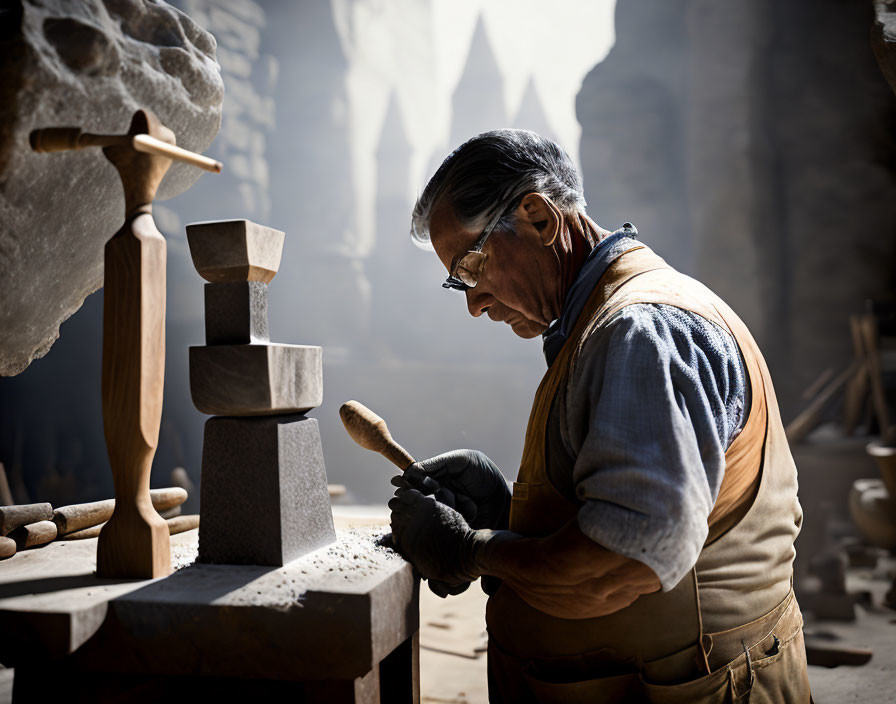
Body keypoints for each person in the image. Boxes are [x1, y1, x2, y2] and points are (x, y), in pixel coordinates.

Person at [388, 129, 810, 703]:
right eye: (458, 280)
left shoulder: (636, 330)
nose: (474, 302)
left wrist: (474, 550)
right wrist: (513, 516)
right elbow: (629, 512)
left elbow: (620, 563)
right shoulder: (602, 323)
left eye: (471, 265)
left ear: (539, 218)